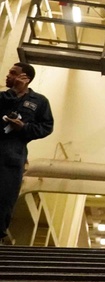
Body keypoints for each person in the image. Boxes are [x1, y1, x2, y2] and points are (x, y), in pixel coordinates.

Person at [0, 62, 54, 245]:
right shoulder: (3, 97)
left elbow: (47, 126)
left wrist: (24, 128)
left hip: (12, 154)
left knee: (5, 196)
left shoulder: (39, 102)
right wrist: (13, 93)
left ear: (25, 78)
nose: (8, 76)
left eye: (13, 73)